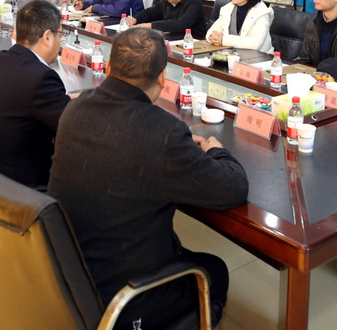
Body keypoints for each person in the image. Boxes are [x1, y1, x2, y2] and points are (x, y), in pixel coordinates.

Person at [48, 28, 248, 328]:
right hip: (125, 298)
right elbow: (233, 188)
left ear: (108, 67)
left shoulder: (74, 109)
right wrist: (215, 150)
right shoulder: (163, 133)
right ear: (163, 78)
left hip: (70, 274)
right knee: (215, 271)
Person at [0, 0, 71, 190]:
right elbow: (73, 125)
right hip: (22, 190)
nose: (61, 42)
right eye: (60, 35)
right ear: (47, 37)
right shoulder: (40, 77)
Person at [206, 0, 274, 53]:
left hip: (260, 57)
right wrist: (213, 37)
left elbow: (255, 44)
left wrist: (223, 40)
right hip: (233, 56)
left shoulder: (262, 12)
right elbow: (211, 32)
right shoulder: (227, 8)